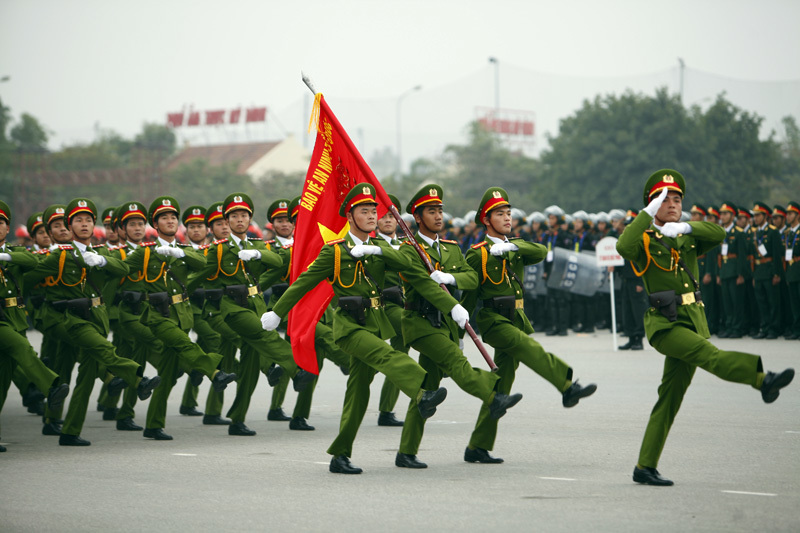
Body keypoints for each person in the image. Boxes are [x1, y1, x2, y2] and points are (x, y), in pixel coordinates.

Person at [616, 169, 794, 486]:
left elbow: (717, 233)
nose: (672, 203)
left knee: (669, 398)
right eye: (664, 198)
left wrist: (683, 225)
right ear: (651, 204)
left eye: (677, 198)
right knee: (710, 356)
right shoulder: (644, 240)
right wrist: (647, 214)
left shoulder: (686, 235)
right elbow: (623, 246)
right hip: (666, 325)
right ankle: (762, 379)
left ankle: (644, 466)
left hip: (693, 321)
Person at [261, 183, 448, 475]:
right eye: (365, 211)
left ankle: (340, 454)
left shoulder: (382, 247)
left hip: (375, 324)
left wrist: (380, 250)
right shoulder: (335, 252)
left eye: (374, 210)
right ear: (350, 216)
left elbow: (406, 265)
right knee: (387, 356)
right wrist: (276, 312)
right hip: (349, 328)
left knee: (357, 395)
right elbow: (303, 282)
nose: (373, 215)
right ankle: (423, 389)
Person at [462, 188, 596, 464]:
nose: (507, 218)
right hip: (494, 319)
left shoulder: (516, 247)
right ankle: (567, 386)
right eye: (500, 214)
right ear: (486, 220)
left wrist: (512, 246)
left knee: (501, 387)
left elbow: (541, 251)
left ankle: (478, 446)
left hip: (517, 317)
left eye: (509, 213)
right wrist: (459, 331)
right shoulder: (477, 254)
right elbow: (469, 296)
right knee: (528, 346)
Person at [395, 184, 523, 469]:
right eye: (431, 211)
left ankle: (406, 451)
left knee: (427, 385)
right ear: (417, 217)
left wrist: (453, 281)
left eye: (440, 210)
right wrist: (451, 304)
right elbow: (424, 287)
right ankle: (494, 395)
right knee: (455, 361)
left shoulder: (451, 248)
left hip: (444, 325)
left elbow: (471, 278)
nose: (438, 215)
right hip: (420, 322)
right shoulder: (408, 250)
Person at [26, 198, 161, 446]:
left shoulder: (100, 253)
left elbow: (122, 269)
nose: (85, 224)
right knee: (103, 349)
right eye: (78, 220)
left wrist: (101, 261)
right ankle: (137, 379)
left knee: (85, 379)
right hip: (71, 320)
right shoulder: (60, 256)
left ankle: (69, 431)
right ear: (70, 225)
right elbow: (26, 281)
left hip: (96, 316)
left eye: (88, 220)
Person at [192, 193, 315, 437]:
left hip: (255, 304)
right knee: (263, 334)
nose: (239, 220)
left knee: (249, 369)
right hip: (231, 308)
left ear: (250, 218)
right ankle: (296, 369)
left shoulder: (257, 245)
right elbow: (194, 277)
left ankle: (237, 420)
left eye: (244, 215)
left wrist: (258, 255)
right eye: (234, 216)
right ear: (226, 220)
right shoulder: (218, 250)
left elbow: (280, 262)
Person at [123, 196, 236, 440]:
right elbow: (120, 269)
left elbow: (202, 261)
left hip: (181, 315)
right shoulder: (145, 253)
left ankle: (153, 425)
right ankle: (214, 373)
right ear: (155, 224)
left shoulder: (184, 251)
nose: (171, 221)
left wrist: (177, 252)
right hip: (157, 315)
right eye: (164, 218)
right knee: (186, 345)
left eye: (173, 217)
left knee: (167, 374)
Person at [0, 201, 70, 452]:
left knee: (3, 379)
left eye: (1, 223)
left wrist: (5, 255)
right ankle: (49, 386)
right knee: (23, 348)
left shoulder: (13, 254)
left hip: (14, 318)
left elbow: (30, 260)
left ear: (7, 228)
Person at [750, 202, 783, 339]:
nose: (756, 218)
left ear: (765, 216)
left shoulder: (772, 231)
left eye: (758, 215)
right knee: (761, 302)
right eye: (755, 216)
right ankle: (765, 327)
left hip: (769, 270)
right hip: (759, 271)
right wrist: (754, 274)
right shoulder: (756, 232)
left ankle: (774, 328)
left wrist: (777, 273)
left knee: (772, 301)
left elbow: (777, 254)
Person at [785, 202, 800, 339]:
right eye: (787, 214)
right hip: (792, 271)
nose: (788, 216)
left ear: (797, 215)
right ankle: (796, 329)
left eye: (791, 214)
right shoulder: (789, 233)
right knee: (794, 303)